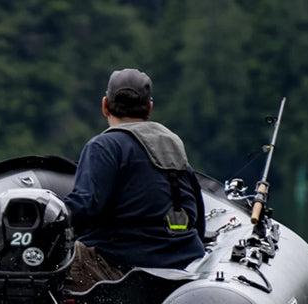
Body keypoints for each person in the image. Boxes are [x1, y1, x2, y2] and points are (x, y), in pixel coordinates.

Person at [63, 68, 206, 292]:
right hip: (184, 266)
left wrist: (47, 219)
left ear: (104, 105)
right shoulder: (173, 147)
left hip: (123, 266)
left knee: (44, 260)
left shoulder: (103, 146)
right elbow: (196, 217)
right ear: (149, 108)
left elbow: (83, 207)